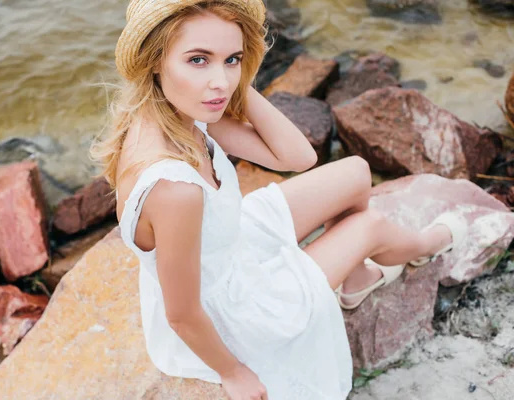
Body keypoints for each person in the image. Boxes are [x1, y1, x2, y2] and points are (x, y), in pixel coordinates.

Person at [89, 0, 468, 398]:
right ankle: (427, 245)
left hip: (231, 240)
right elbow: (182, 314)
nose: (220, 80)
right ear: (154, 60)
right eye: (198, 60)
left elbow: (298, 158)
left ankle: (356, 279)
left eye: (231, 58)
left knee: (356, 173)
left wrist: (235, 81)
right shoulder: (174, 189)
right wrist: (233, 372)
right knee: (369, 226)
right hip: (234, 306)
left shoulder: (178, 110)